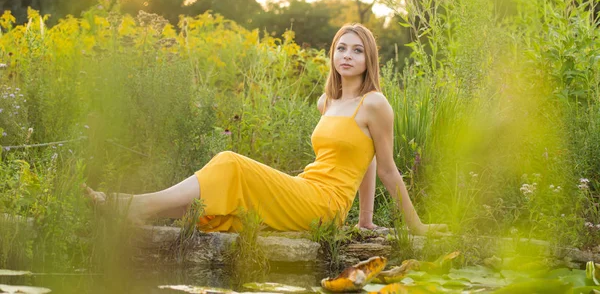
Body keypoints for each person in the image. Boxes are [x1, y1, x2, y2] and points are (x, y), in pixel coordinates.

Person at [85, 23, 446, 235]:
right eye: (340, 48)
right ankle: (137, 211)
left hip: (325, 206)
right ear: (332, 55)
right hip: (307, 189)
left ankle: (130, 205)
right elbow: (361, 160)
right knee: (233, 196)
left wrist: (416, 228)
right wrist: (365, 222)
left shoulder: (375, 104)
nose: (347, 56)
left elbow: (384, 168)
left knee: (230, 162)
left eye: (357, 50)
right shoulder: (327, 103)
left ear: (369, 60)